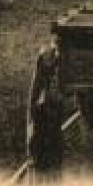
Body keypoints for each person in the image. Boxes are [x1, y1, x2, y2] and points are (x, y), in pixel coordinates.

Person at [26, 41, 66, 178]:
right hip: (46, 113)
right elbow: (35, 95)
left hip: (50, 111)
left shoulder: (48, 56)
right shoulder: (47, 57)